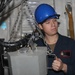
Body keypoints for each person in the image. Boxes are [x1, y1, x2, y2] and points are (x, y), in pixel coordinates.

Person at [34, 3, 75, 75]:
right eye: (48, 22)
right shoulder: (36, 47)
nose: (53, 25)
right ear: (40, 26)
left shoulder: (70, 44)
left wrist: (64, 67)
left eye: (54, 20)